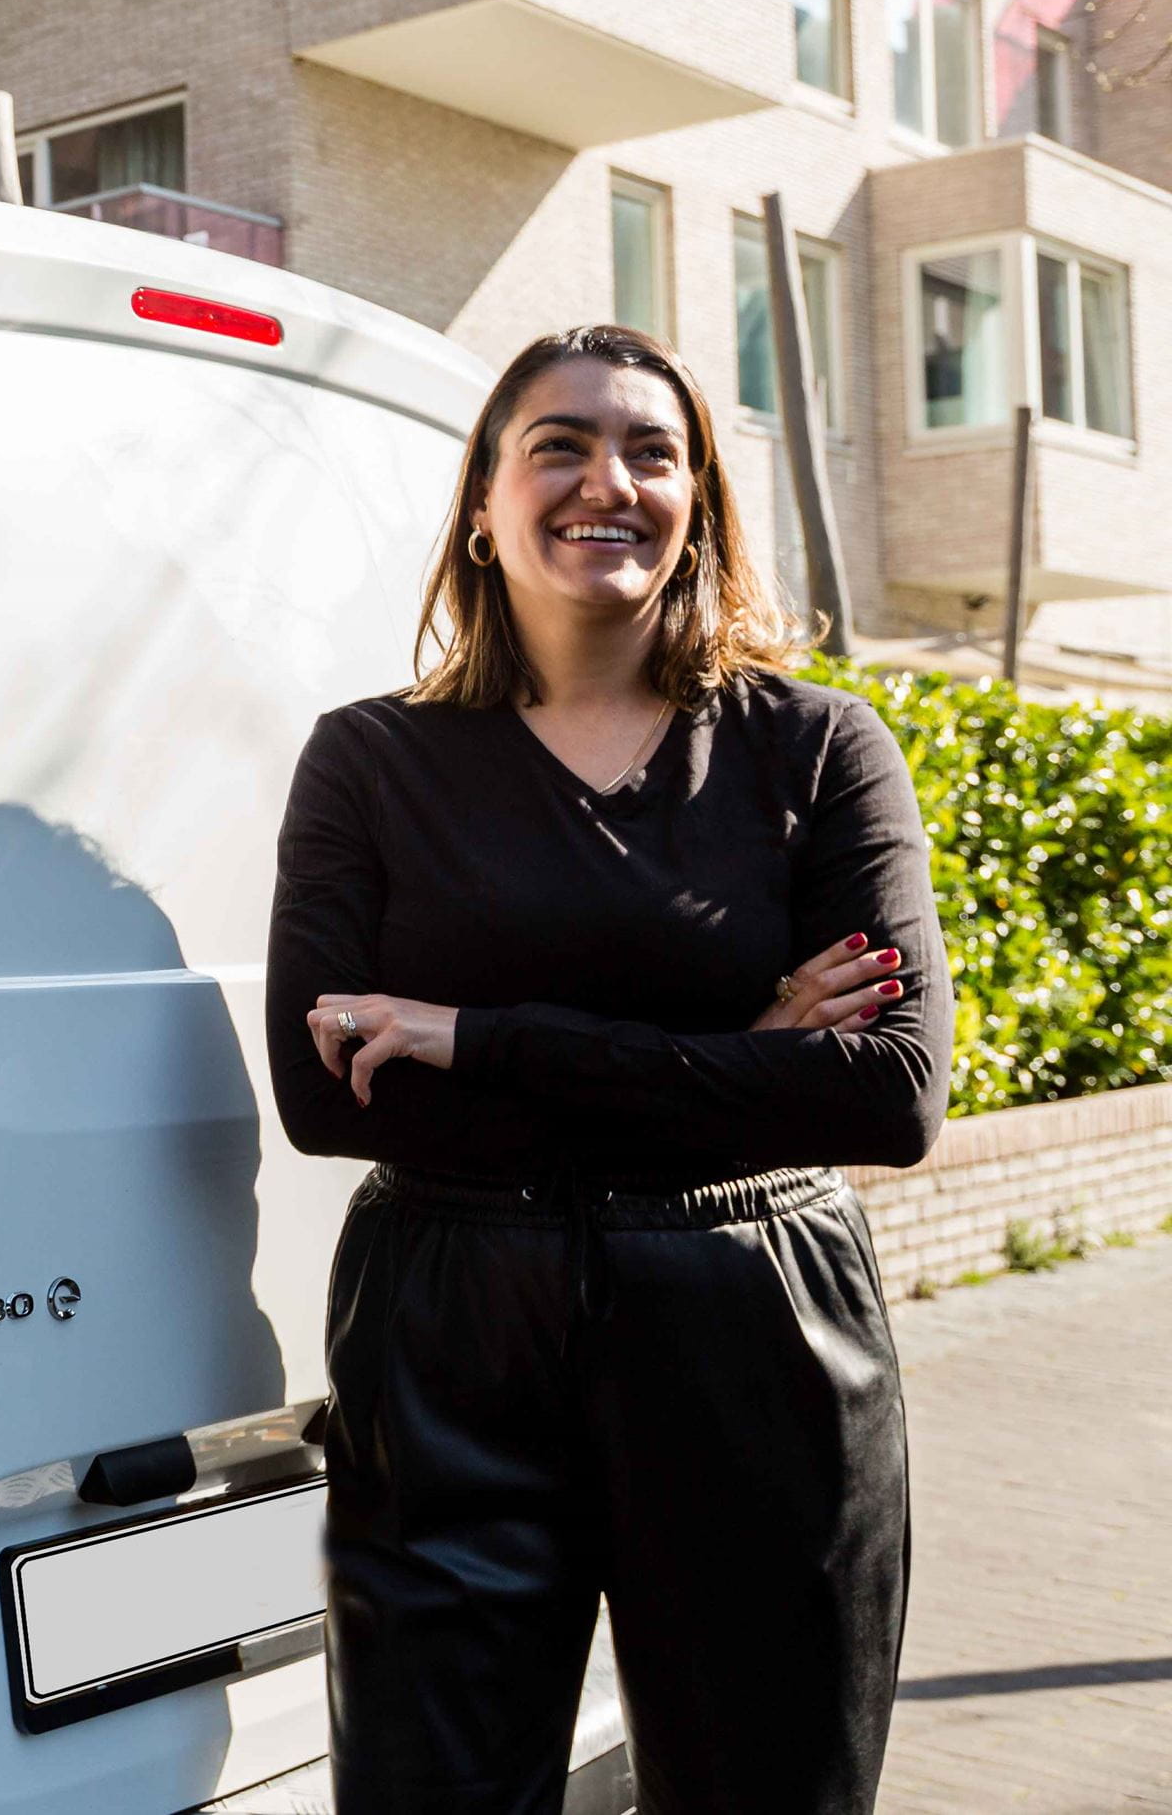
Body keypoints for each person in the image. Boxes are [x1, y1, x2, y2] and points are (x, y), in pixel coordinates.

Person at [264, 323, 947, 1815]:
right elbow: (324, 1092)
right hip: (451, 1334)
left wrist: (475, 1034)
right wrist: (742, 1053)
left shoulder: (819, 750)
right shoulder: (369, 760)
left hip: (756, 1323)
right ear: (484, 504)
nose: (609, 481)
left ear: (699, 493)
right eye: (559, 445)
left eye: (654, 448)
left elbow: (889, 1091)